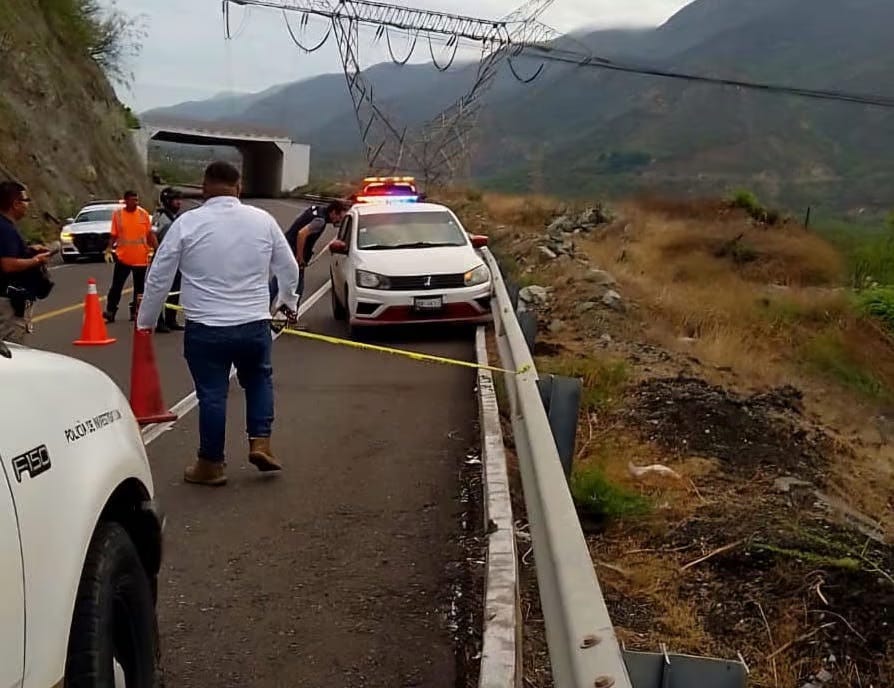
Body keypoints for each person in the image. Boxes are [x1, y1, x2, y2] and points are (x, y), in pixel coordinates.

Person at [137, 161, 300, 487]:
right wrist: (287, 302)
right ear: (239, 188)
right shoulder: (263, 221)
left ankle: (211, 464)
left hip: (206, 328)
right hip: (254, 323)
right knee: (258, 380)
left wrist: (146, 323)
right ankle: (260, 442)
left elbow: (159, 277)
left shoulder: (187, 224)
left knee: (212, 394)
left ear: (204, 187)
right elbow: (289, 267)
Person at [269, 200, 347, 322]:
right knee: (296, 286)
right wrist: (300, 257)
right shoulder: (320, 221)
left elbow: (298, 222)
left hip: (286, 247)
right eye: (339, 217)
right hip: (292, 251)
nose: (339, 221)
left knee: (279, 280)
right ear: (333, 212)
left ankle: (268, 310)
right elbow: (302, 234)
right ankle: (289, 315)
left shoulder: (316, 209)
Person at [0, 181, 51, 344]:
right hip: (8, 302)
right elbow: (8, 264)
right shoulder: (5, 230)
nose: (28, 205)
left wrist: (29, 250)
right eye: (26, 200)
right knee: (11, 351)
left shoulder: (5, 226)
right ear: (15, 204)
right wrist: (36, 260)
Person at [103, 190, 157, 323]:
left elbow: (150, 234)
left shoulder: (143, 214)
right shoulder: (118, 215)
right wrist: (109, 249)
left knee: (139, 288)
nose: (135, 202)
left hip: (141, 258)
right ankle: (111, 311)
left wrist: (158, 249)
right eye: (133, 200)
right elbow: (114, 234)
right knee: (117, 286)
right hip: (123, 257)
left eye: (137, 200)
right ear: (125, 200)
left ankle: (135, 312)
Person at [153, 187, 184, 333]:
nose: (179, 203)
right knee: (161, 290)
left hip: (177, 259)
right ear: (167, 201)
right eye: (175, 200)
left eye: (179, 200)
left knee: (175, 291)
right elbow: (153, 236)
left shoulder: (178, 217)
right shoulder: (160, 217)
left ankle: (172, 320)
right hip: (164, 259)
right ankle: (159, 321)